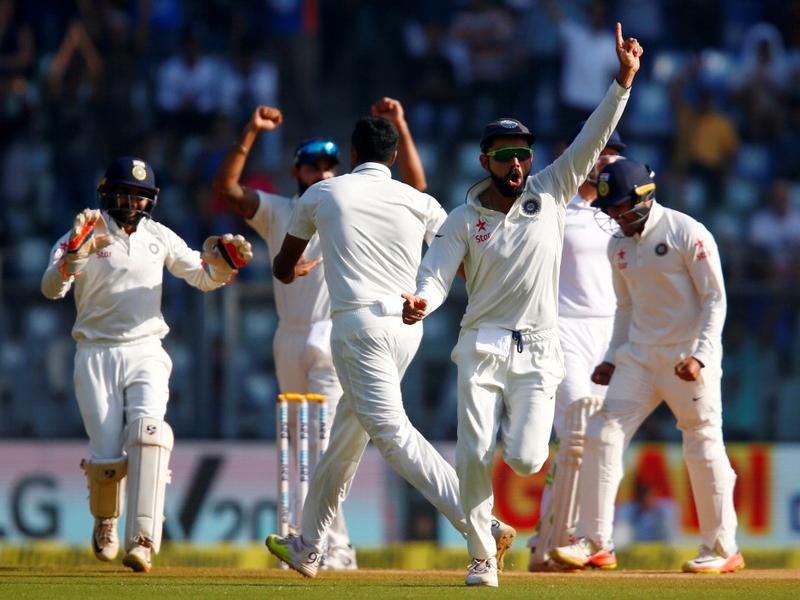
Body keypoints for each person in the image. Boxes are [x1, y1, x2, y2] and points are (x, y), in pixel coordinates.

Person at [401, 23, 642, 588]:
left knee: (529, 459)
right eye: (506, 156)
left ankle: (517, 489)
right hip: (481, 344)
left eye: (524, 155)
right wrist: (420, 301)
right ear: (486, 161)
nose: (517, 165)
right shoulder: (462, 219)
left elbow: (591, 138)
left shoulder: (552, 191)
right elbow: (434, 276)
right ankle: (482, 554)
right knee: (473, 451)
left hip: (539, 349)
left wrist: (623, 82)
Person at [264, 114, 516, 582]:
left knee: (393, 435)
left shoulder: (323, 192)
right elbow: (462, 263)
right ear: (395, 157)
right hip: (407, 327)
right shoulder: (418, 201)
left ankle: (483, 523)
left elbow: (283, 266)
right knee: (345, 438)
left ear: (352, 154)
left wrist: (291, 273)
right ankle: (309, 545)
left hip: (357, 327)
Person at [212, 97, 426, 569]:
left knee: (324, 448)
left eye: (331, 163)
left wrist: (400, 130)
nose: (324, 171)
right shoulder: (282, 210)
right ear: (297, 172)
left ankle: (336, 547)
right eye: (314, 165)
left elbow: (416, 189)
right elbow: (227, 188)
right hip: (289, 337)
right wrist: (249, 131)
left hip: (336, 336)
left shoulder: (348, 200)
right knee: (297, 445)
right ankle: (314, 541)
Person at [41, 157, 253, 573]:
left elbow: (203, 276)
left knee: (149, 432)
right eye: (125, 195)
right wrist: (75, 256)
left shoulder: (159, 237)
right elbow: (51, 288)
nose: (132, 204)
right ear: (106, 195)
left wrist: (224, 266)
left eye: (140, 197)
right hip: (95, 352)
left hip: (146, 349)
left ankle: (143, 539)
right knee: (105, 457)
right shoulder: (83, 231)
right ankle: (106, 521)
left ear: (151, 202)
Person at [551, 159, 744, 574]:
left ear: (643, 197)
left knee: (701, 440)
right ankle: (596, 541)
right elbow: (626, 307)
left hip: (685, 358)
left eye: (619, 207)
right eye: (608, 209)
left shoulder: (685, 232)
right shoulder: (617, 244)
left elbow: (715, 299)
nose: (613, 217)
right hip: (638, 356)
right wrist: (610, 356)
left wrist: (702, 355)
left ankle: (722, 547)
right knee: (603, 432)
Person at [528, 140, 626, 572]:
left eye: (612, 156)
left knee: (602, 441)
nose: (605, 162)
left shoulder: (621, 210)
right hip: (561, 327)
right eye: (598, 154)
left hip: (610, 331)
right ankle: (562, 538)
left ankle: (556, 539)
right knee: (575, 434)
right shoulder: (550, 202)